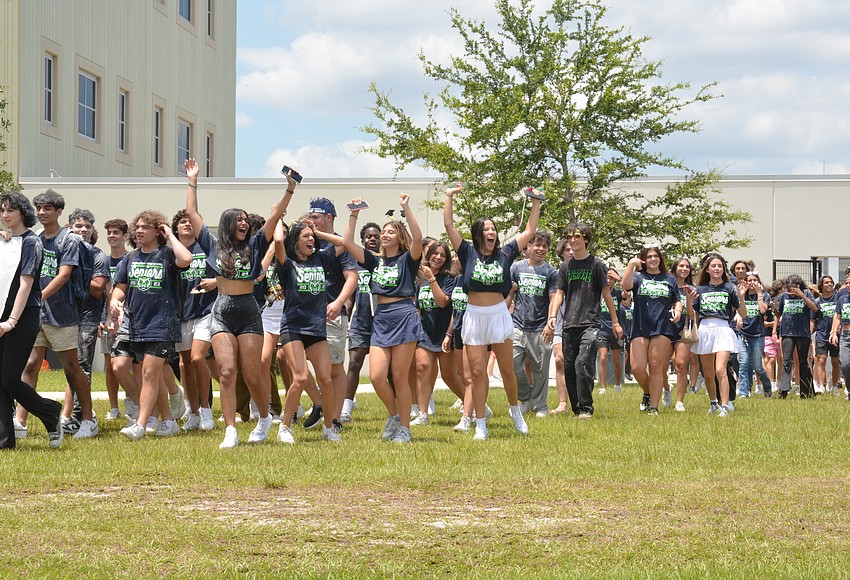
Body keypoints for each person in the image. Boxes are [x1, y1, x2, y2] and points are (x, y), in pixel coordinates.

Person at [185, 158, 293, 448]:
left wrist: (289, 189)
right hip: (221, 310)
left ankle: (264, 418)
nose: (244, 223)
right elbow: (192, 213)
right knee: (226, 372)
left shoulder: (255, 245)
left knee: (254, 375)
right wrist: (192, 180)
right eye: (239, 219)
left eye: (246, 220)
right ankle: (230, 429)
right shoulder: (212, 245)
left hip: (248, 312)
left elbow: (274, 217)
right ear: (228, 224)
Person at [445, 184, 541, 440]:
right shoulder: (467, 252)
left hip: (498, 314)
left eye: (493, 229)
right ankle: (480, 424)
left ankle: (515, 411)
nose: (491, 232)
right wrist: (449, 197)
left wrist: (535, 202)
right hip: (474, 316)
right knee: (477, 374)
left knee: (508, 370)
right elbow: (449, 226)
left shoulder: (505, 253)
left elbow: (529, 230)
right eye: (486, 229)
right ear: (478, 234)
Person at [14, 189, 97, 439]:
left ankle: (89, 420)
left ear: (59, 211)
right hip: (37, 315)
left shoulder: (68, 240)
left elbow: (64, 275)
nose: (42, 212)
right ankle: (20, 421)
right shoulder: (36, 237)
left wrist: (37, 297)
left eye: (47, 208)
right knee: (30, 365)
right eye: (39, 208)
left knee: (72, 367)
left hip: (63, 314)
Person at [343, 193, 423, 443]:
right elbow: (347, 242)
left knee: (399, 377)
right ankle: (395, 415)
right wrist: (354, 214)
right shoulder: (374, 262)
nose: (385, 235)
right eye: (384, 231)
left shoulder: (408, 260)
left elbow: (418, 238)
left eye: (390, 232)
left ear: (399, 237)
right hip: (381, 319)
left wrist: (406, 207)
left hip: (404, 316)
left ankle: (405, 429)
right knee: (377, 376)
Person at [110, 210, 192, 440]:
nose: (139, 231)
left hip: (163, 324)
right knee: (150, 375)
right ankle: (169, 421)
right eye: (137, 227)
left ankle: (141, 424)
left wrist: (170, 234)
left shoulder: (167, 255)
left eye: (145, 227)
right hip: (138, 324)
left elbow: (186, 259)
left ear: (157, 231)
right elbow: (120, 287)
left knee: (148, 373)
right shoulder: (130, 258)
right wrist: (115, 301)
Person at [0, 191, 64, 449]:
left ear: (22, 213)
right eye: (2, 210)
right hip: (2, 314)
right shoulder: (6, 241)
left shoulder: (31, 243)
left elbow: (26, 285)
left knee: (9, 379)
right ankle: (5, 440)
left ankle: (50, 411)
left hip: (23, 317)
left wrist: (11, 321)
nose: (5, 215)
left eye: (10, 210)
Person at [274, 219, 344, 444]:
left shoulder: (320, 259)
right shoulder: (287, 264)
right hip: (293, 326)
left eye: (312, 236)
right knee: (301, 377)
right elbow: (278, 241)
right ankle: (285, 427)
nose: (311, 239)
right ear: (295, 240)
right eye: (306, 236)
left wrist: (318, 232)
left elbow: (343, 243)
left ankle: (329, 428)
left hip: (316, 328)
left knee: (326, 379)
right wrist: (279, 216)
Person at [546, 223, 621, 418]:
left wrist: (615, 322)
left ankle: (587, 407)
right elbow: (559, 294)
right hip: (569, 324)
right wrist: (552, 316)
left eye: (577, 236)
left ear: (586, 239)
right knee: (570, 367)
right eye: (569, 237)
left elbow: (606, 294)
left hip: (590, 323)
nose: (573, 240)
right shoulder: (565, 266)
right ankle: (577, 408)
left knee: (582, 363)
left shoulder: (597, 265)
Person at [308, 197, 359, 430]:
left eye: (315, 217)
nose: (311, 221)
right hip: (305, 314)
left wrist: (339, 303)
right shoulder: (306, 241)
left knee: (334, 368)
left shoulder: (340, 245)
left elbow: (352, 278)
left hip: (331, 314)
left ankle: (335, 418)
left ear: (328, 217)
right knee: (288, 359)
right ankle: (319, 403)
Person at [171, 205, 217, 431]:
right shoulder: (172, 252)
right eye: (182, 221)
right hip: (181, 313)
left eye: (190, 221)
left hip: (205, 311)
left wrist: (216, 282)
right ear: (176, 229)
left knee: (198, 358)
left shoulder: (207, 247)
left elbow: (227, 270)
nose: (187, 224)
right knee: (185, 364)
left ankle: (206, 409)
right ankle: (194, 412)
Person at [621, 244, 681, 415]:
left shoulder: (669, 278)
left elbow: (677, 299)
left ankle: (653, 407)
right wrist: (631, 265)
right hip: (640, 325)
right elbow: (625, 285)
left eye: (656, 256)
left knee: (655, 366)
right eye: (649, 257)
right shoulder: (638, 277)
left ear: (660, 259)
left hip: (662, 326)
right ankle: (648, 392)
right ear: (643, 260)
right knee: (637, 367)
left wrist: (677, 311)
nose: (653, 259)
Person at [412, 239, 465, 425]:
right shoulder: (420, 279)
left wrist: (432, 279)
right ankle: (423, 414)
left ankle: (474, 404)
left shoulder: (450, 278)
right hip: (425, 332)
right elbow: (418, 307)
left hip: (445, 333)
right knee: (422, 368)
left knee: (449, 375)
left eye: (442, 255)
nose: (438, 257)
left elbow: (443, 302)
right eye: (435, 253)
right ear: (428, 255)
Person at [688, 252, 747, 416]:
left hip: (723, 329)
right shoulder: (700, 289)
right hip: (705, 330)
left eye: (719, 266)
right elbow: (692, 313)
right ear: (707, 269)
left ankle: (725, 406)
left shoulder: (730, 288)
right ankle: (713, 403)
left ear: (723, 269)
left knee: (721, 370)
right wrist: (688, 301)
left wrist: (741, 297)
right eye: (713, 266)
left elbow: (743, 313)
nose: (716, 268)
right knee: (708, 374)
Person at [511, 231, 558, 417]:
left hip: (540, 327)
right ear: (528, 246)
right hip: (517, 325)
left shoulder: (550, 272)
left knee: (540, 371)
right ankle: (525, 398)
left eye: (545, 246)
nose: (541, 249)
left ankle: (540, 406)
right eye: (537, 245)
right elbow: (508, 294)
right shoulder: (516, 268)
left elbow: (553, 298)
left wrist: (550, 321)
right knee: (513, 365)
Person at [341, 221, 381, 423]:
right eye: (368, 236)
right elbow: (350, 296)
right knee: (354, 363)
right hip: (361, 322)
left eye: (376, 236)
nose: (372, 239)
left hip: (383, 322)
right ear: (362, 240)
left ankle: (400, 407)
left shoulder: (385, 262)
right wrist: (345, 318)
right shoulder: (354, 263)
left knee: (388, 370)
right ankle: (346, 407)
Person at [774, 274, 818, 398]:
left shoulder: (807, 294)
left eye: (793, 289)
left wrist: (802, 295)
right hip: (787, 332)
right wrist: (774, 309)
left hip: (802, 332)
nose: (791, 291)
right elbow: (778, 313)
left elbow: (814, 308)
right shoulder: (783, 296)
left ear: (798, 286)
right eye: (789, 289)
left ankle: (806, 391)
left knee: (803, 361)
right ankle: (783, 390)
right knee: (786, 360)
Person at [737, 270, 773, 398]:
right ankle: (744, 392)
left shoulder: (764, 295)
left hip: (758, 334)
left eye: (754, 280)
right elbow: (736, 309)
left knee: (757, 366)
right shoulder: (742, 295)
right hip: (743, 332)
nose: (752, 282)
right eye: (749, 280)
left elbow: (763, 310)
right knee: (744, 363)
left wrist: (759, 293)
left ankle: (767, 386)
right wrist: (741, 296)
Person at [670, 257, 698, 410]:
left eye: (687, 266)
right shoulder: (667, 285)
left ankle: (680, 401)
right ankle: (666, 388)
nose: (684, 269)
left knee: (681, 364)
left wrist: (688, 302)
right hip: (665, 328)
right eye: (681, 266)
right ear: (675, 268)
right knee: (659, 365)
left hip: (684, 329)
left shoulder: (692, 290)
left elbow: (692, 315)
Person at [596, 268, 624, 397]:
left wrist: (619, 279)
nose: (609, 280)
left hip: (615, 330)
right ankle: (602, 387)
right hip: (602, 329)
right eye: (607, 277)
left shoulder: (617, 293)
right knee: (603, 357)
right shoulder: (598, 292)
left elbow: (627, 294)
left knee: (616, 359)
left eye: (611, 278)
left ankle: (618, 384)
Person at [812, 275, 840, 394]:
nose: (829, 284)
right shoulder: (817, 301)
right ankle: (821, 386)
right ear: (821, 285)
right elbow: (812, 319)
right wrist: (810, 335)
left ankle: (834, 386)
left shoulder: (837, 299)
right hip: (821, 334)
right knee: (821, 360)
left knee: (835, 361)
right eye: (826, 282)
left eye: (831, 282)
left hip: (835, 335)